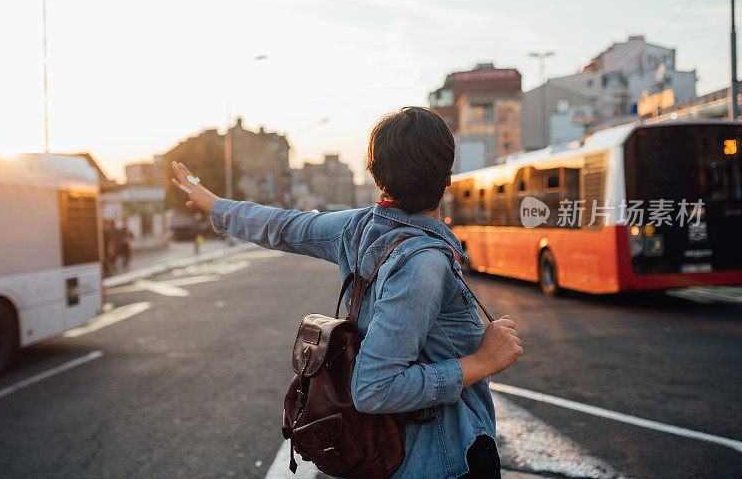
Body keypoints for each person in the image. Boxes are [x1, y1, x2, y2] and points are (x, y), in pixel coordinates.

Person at [170, 106, 523, 479]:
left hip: (391, 454)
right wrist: (482, 362)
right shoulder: (423, 264)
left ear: (374, 173)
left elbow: (284, 225)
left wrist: (217, 207)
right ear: (448, 175)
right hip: (444, 459)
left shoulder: (358, 227)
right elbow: (374, 389)